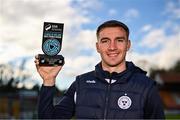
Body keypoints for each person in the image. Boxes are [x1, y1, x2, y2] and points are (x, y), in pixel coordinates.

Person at [35, 20, 165, 119]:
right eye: (105, 41)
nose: (112, 47)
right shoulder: (81, 84)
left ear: (128, 45)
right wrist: (48, 81)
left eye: (119, 40)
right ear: (98, 47)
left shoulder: (146, 86)